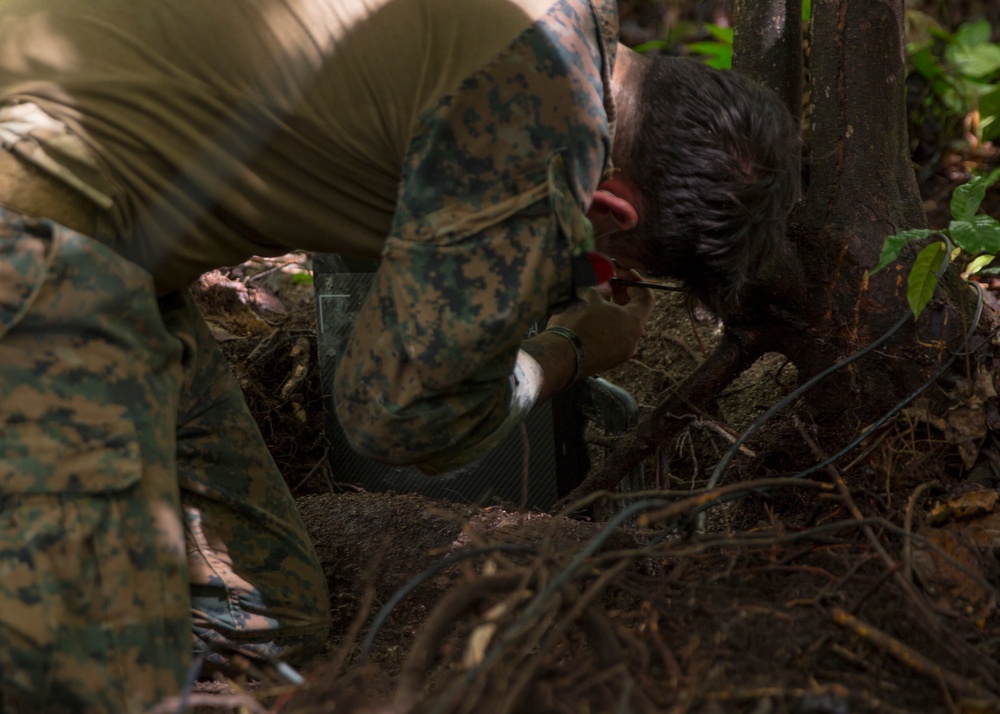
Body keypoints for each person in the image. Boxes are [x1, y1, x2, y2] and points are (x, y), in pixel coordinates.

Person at [0, 0, 799, 710]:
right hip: (36, 224)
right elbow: (396, 417)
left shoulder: (564, 28)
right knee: (82, 674)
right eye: (613, 257)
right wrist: (570, 352)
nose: (600, 272)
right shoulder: (537, 125)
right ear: (611, 207)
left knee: (262, 618)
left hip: (116, 252)